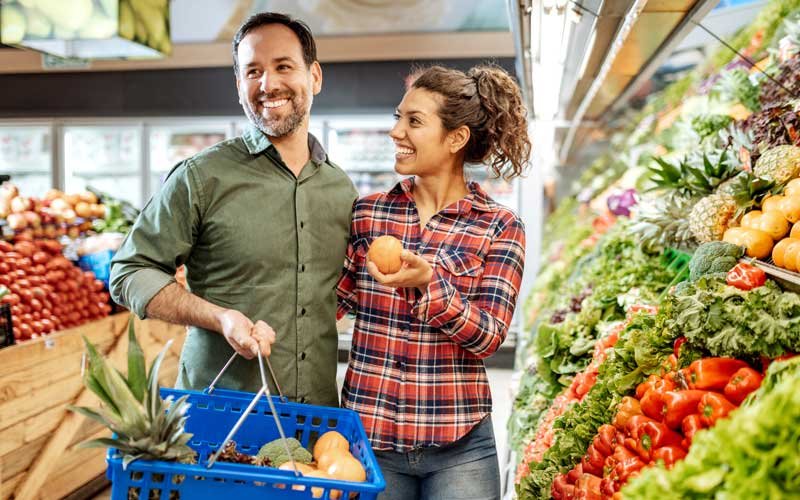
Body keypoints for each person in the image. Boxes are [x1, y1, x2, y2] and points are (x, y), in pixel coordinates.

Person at [110, 12, 358, 405]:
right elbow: (129, 271)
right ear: (239, 85)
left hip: (317, 419)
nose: (268, 84)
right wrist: (218, 317)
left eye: (283, 66)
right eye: (253, 71)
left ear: (315, 77)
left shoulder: (340, 190)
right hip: (220, 413)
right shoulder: (201, 177)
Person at [336, 64, 531, 499]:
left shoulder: (499, 226)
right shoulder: (369, 213)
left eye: (414, 121)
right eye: (397, 117)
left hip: (459, 446)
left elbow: (488, 336)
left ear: (456, 138)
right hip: (368, 439)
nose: (396, 132)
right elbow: (333, 302)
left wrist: (431, 284)